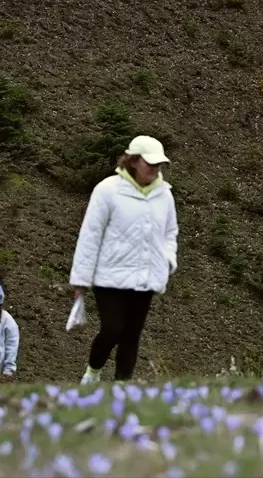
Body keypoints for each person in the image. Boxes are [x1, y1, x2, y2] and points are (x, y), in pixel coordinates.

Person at [70, 135, 179, 384]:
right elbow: (90, 235)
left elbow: (170, 233)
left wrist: (168, 260)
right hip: (109, 275)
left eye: (158, 164)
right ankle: (93, 372)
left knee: (132, 334)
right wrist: (81, 280)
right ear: (133, 161)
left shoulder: (165, 195)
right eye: (149, 163)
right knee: (112, 329)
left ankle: (122, 386)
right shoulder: (108, 190)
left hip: (146, 275)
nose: (154, 168)